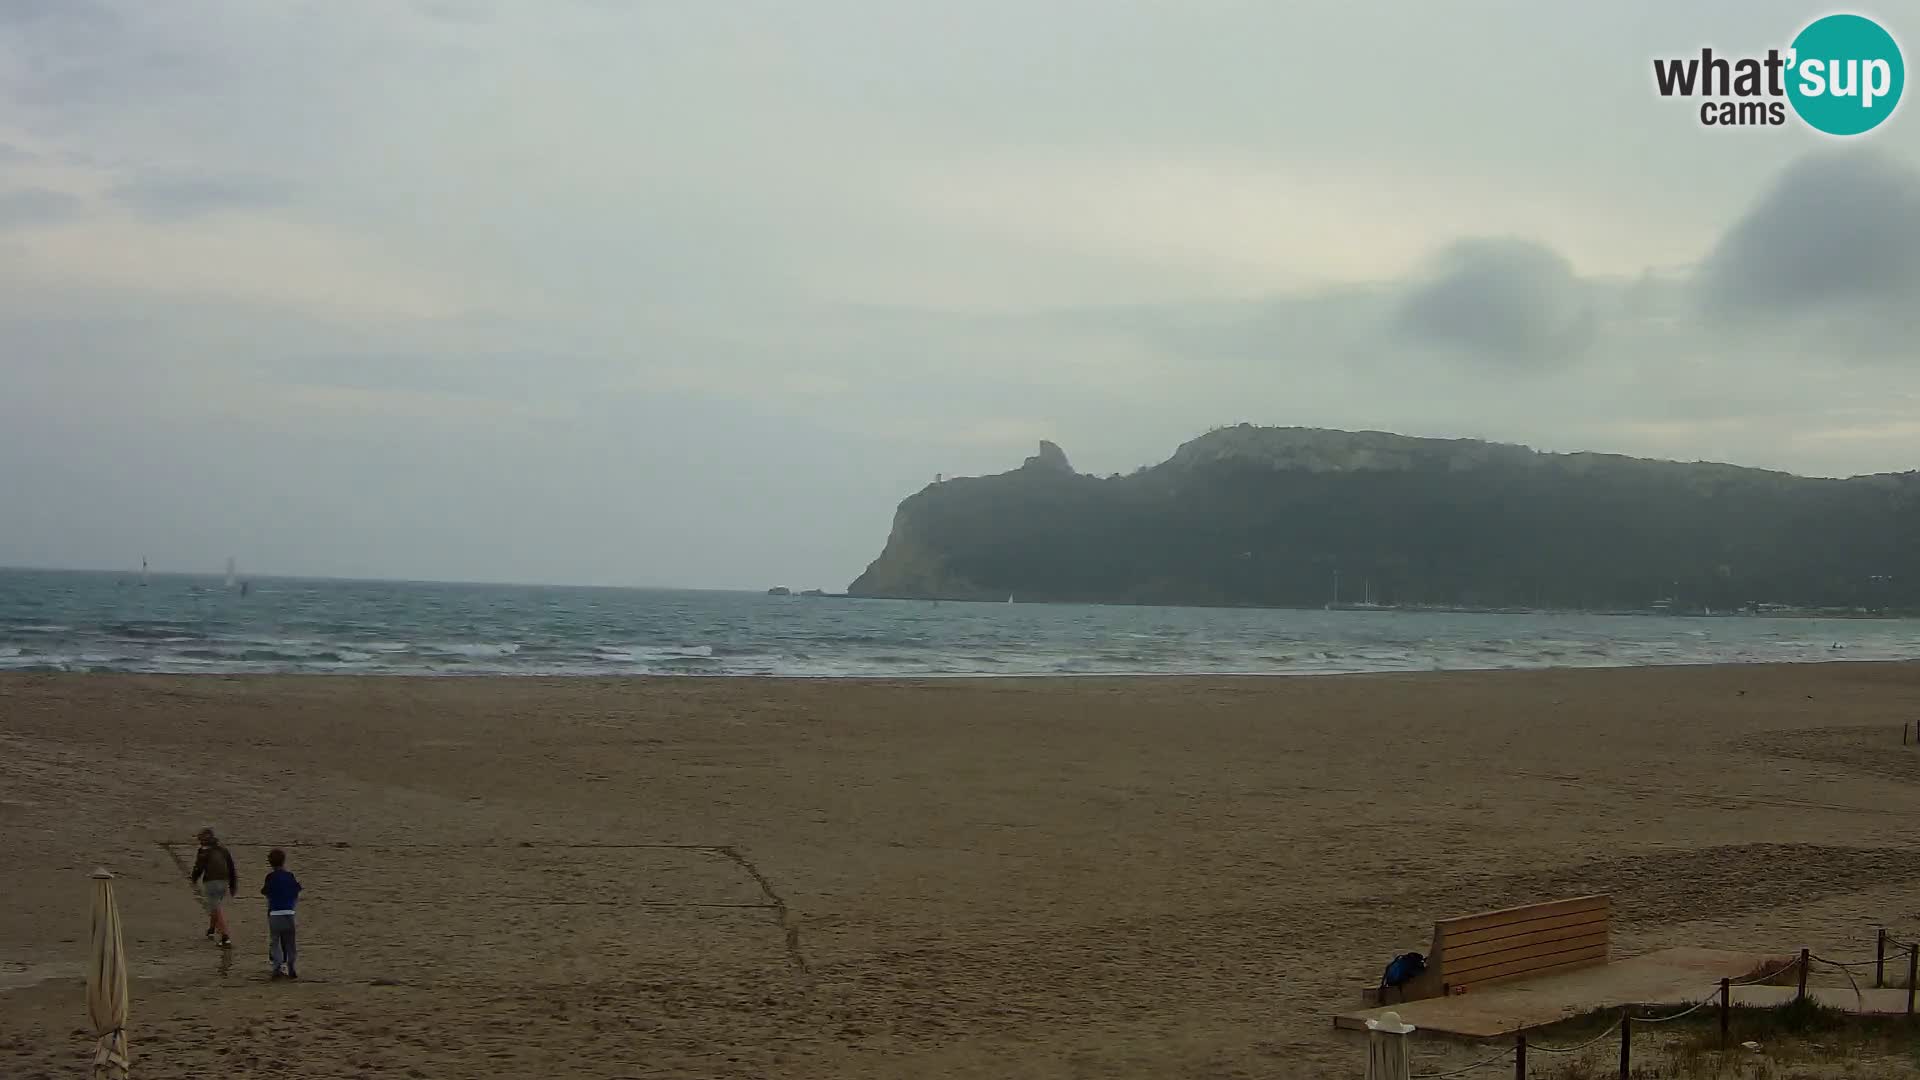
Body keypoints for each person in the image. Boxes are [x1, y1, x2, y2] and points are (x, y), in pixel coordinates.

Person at [189, 827, 238, 948]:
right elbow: (231, 867)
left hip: (211, 881)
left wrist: (193, 879)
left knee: (216, 907)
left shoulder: (203, 851)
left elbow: (198, 867)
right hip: (224, 880)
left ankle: (225, 937)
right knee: (215, 905)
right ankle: (211, 929)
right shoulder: (223, 850)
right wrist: (233, 885)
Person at [260, 848, 302, 979]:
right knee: (290, 942)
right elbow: (297, 890)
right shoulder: (290, 876)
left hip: (275, 913)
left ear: (270, 863)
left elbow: (265, 891)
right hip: (289, 913)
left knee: (275, 941)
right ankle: (291, 965)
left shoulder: (270, 877)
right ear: (284, 861)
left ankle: (277, 967)